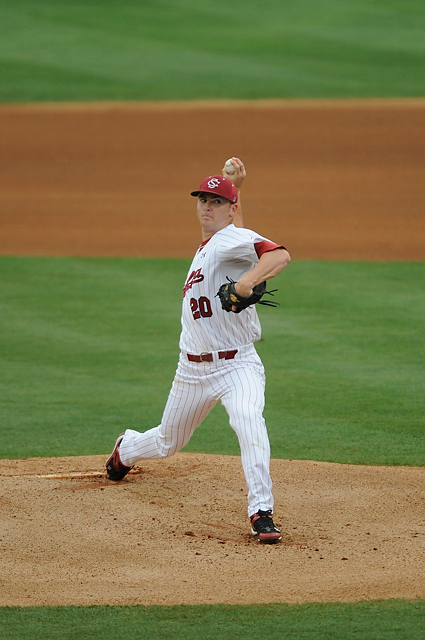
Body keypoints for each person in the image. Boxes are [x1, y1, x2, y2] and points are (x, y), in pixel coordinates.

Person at [106, 157, 291, 543]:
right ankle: (126, 449)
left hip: (237, 365)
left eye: (217, 200)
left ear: (231, 208)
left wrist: (245, 285)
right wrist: (230, 184)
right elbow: (240, 237)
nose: (207, 206)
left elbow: (278, 255)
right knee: (167, 441)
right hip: (191, 370)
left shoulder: (228, 240)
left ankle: (261, 510)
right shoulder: (216, 244)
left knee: (247, 420)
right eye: (203, 199)